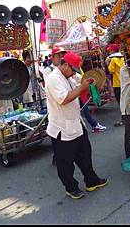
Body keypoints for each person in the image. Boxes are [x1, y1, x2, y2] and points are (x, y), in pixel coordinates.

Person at [45, 52, 107, 199]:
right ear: (64, 64)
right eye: (72, 70)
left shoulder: (68, 76)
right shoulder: (53, 79)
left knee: (85, 154)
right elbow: (64, 98)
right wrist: (82, 87)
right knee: (65, 162)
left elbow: (81, 83)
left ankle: (91, 180)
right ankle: (71, 187)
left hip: (76, 124)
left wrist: (91, 84)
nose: (73, 73)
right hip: (62, 128)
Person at [105, 43, 124, 127]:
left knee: (120, 103)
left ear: (112, 50)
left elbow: (110, 71)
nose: (109, 52)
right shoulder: (123, 58)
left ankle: (122, 119)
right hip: (124, 82)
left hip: (117, 84)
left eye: (110, 50)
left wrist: (107, 64)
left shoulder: (112, 60)